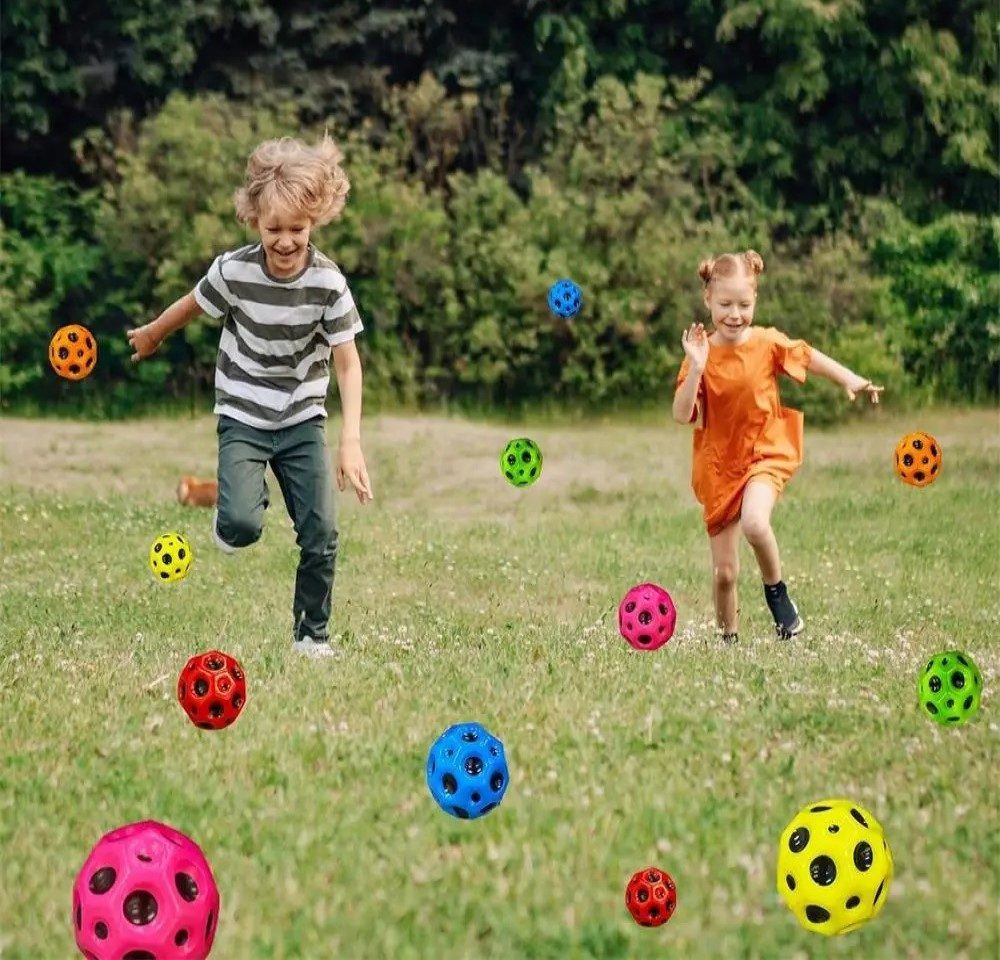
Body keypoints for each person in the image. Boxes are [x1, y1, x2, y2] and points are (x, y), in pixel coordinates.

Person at [127, 134, 373, 657]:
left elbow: (348, 363)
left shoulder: (328, 283)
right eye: (273, 229)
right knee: (240, 526)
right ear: (254, 221)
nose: (285, 242)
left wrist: (350, 441)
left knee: (322, 531)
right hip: (242, 412)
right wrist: (153, 333)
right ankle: (234, 510)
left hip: (303, 418)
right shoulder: (234, 271)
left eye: (297, 230)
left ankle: (312, 633)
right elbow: (192, 305)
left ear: (316, 221)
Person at [672, 250, 882, 643]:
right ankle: (728, 641)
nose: (735, 314)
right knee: (725, 575)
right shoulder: (700, 353)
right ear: (707, 300)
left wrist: (849, 379)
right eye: (725, 305)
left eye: (744, 304)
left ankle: (777, 594)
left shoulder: (766, 342)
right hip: (719, 465)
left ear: (755, 301)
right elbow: (682, 414)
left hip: (765, 453)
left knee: (755, 521)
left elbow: (808, 355)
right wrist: (697, 367)